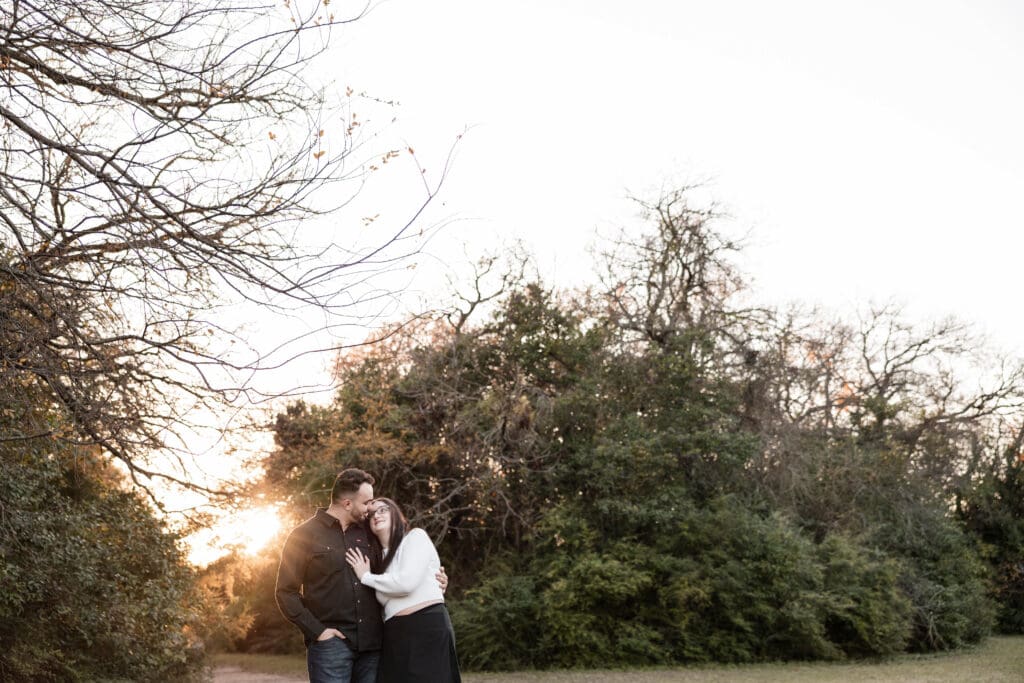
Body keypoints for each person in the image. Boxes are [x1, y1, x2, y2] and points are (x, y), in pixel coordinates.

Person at [275, 468, 382, 683]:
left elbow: (390, 574)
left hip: (373, 647)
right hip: (331, 648)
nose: (370, 509)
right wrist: (318, 632)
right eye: (366, 502)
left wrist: (431, 582)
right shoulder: (303, 535)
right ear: (347, 503)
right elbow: (286, 592)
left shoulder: (370, 533)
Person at [345, 497, 461, 683]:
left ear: (396, 513)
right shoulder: (377, 562)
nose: (376, 515)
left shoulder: (415, 537)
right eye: (371, 514)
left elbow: (406, 583)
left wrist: (365, 577)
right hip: (395, 634)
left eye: (383, 509)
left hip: (426, 627)